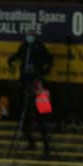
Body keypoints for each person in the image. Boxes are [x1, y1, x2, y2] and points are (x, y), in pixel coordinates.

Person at [8, 29, 54, 159]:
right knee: (22, 115)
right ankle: (30, 142)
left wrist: (43, 73)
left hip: (38, 85)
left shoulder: (40, 47)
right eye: (28, 35)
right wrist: (11, 60)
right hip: (24, 82)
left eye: (31, 35)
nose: (29, 37)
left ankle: (47, 150)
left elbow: (49, 59)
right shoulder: (24, 46)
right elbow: (17, 55)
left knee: (42, 119)